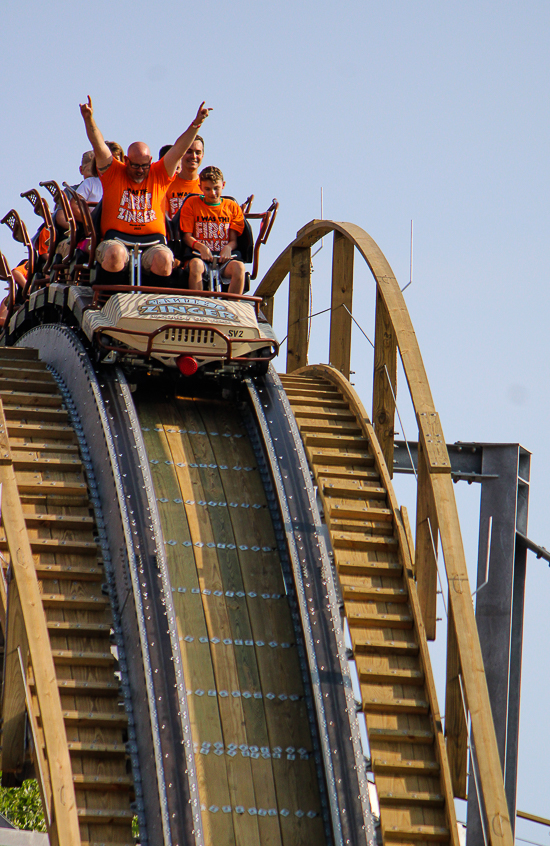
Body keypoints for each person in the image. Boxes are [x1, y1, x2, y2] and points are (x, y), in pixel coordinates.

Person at [79, 95, 211, 282]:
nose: (140, 171)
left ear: (151, 161)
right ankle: (111, 301)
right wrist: (89, 119)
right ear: (126, 161)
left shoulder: (159, 173)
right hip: (116, 241)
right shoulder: (114, 172)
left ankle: (155, 305)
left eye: (144, 166)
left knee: (165, 259)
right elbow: (98, 145)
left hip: (154, 243)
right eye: (135, 166)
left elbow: (179, 149)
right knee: (115, 255)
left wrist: (196, 123)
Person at [179, 166, 245, 295]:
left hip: (223, 260)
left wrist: (228, 248)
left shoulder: (231, 206)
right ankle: (198, 303)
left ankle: (233, 307)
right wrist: (201, 247)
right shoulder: (192, 203)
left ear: (223, 185)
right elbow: (187, 236)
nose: (212, 193)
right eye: (207, 189)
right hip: (200, 258)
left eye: (216, 188)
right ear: (200, 187)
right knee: (196, 265)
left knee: (239, 267)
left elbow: (233, 240)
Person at [159, 135, 204, 219]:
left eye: (198, 152)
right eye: (189, 151)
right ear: (182, 153)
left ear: (202, 155)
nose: (193, 156)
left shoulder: (208, 186)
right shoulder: (168, 183)